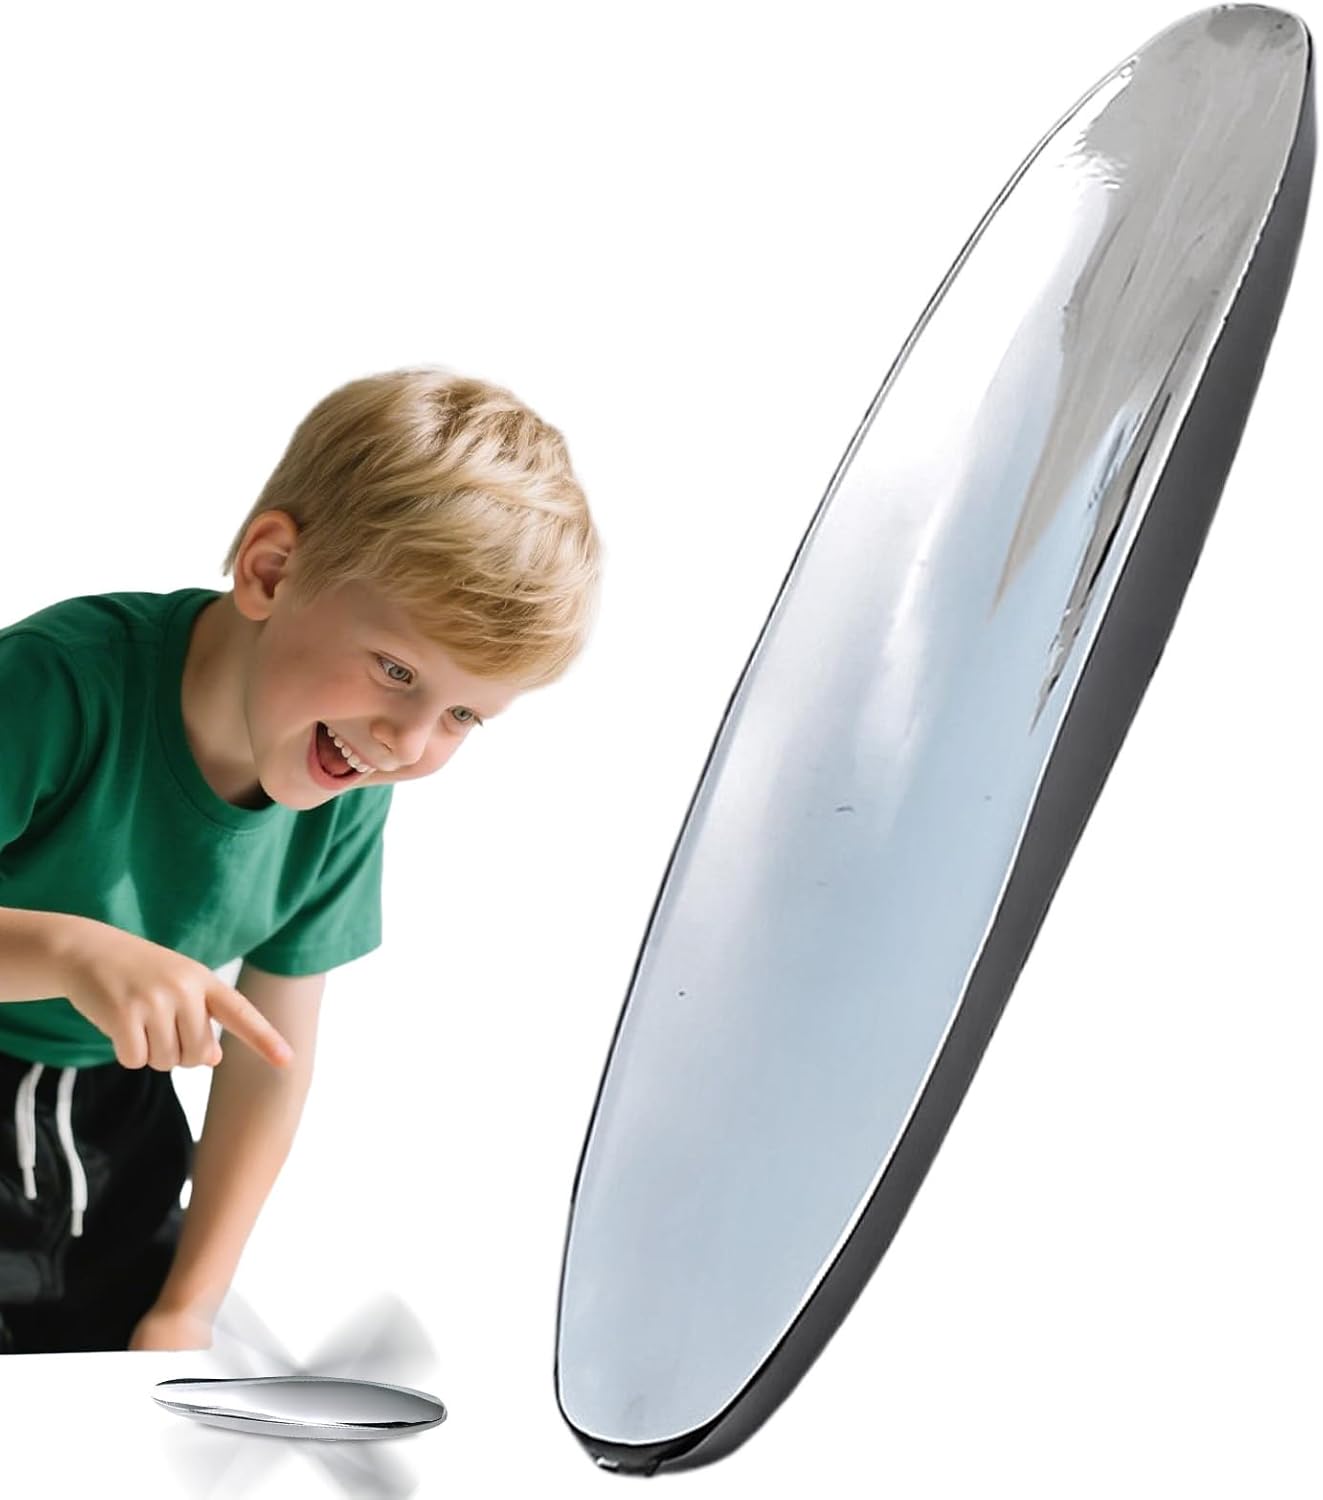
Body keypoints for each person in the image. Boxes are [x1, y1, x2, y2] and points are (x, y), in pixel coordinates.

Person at [0, 367, 601, 1353]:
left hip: (109, 1125)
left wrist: (189, 1306)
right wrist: (71, 954)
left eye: (461, 714)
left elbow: (270, 1057)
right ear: (272, 572)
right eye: (396, 670)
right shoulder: (56, 687)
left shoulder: (344, 788)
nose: (406, 743)